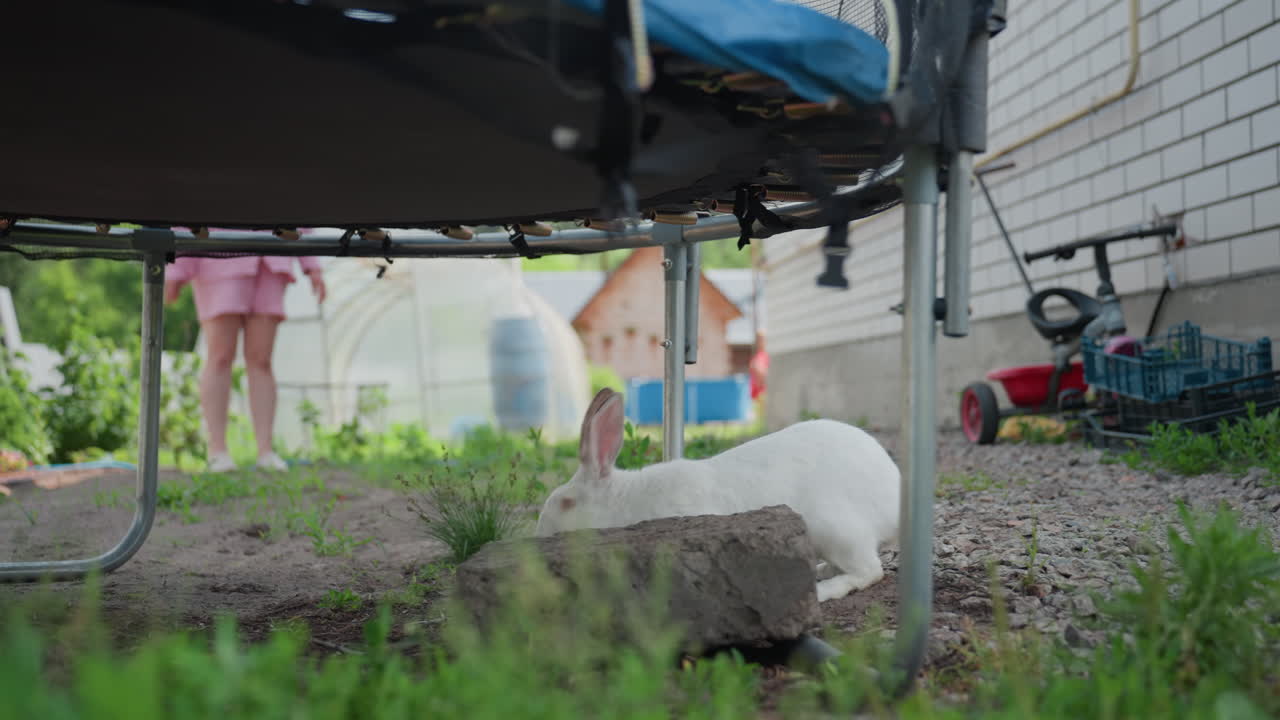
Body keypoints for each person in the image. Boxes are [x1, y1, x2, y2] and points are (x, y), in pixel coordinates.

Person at [164, 252, 325, 472]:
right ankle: (217, 452)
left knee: (262, 360)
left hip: (270, 259)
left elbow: (303, 219)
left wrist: (312, 264)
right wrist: (177, 267)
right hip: (218, 256)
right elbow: (187, 218)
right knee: (220, 356)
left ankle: (266, 452)